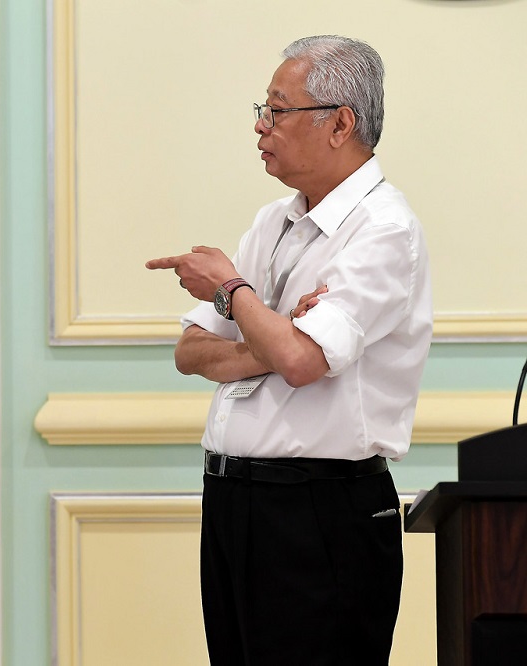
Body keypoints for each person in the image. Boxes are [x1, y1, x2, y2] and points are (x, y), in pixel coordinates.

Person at [146, 35, 432, 665]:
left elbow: (304, 364)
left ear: (340, 124)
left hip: (321, 510)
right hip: (233, 501)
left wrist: (231, 290)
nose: (260, 126)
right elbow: (191, 351)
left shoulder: (385, 230)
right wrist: (273, 332)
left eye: (277, 110)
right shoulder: (272, 220)